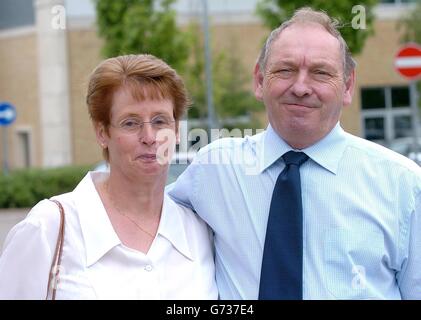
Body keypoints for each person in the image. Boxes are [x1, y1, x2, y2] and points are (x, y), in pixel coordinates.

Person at [168, 7, 421, 299]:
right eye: (285, 70)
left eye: (320, 73)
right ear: (260, 80)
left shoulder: (405, 186)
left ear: (348, 85)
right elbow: (143, 218)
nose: (301, 87)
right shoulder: (215, 169)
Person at [0, 54, 217, 299]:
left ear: (176, 130)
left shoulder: (198, 230)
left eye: (160, 121)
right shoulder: (49, 227)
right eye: (130, 123)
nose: (149, 136)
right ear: (102, 132)